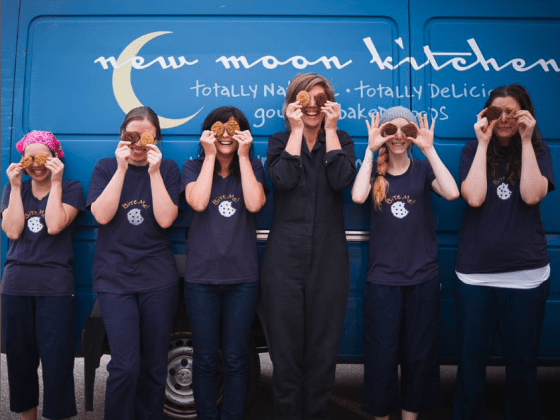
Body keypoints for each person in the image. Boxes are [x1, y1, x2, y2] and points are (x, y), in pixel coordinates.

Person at [452, 84, 554, 420]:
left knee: (523, 366)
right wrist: (483, 143)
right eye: (497, 112)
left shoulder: (538, 151)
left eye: (513, 111)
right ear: (486, 115)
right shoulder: (472, 149)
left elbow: (530, 195)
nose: (505, 118)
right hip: (476, 277)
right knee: (470, 364)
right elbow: (475, 197)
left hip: (526, 277)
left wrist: (526, 141)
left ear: (526, 114)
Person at [352, 106, 459, 420]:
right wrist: (371, 151)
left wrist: (429, 148)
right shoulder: (373, 172)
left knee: (419, 355)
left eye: (406, 130)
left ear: (413, 136)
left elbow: (452, 192)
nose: (398, 135)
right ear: (383, 135)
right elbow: (358, 197)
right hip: (384, 282)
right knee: (381, 356)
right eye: (390, 130)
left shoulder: (423, 170)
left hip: (422, 279)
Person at [261, 72, 356, 420]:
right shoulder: (279, 140)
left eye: (320, 99)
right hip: (284, 260)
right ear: (293, 104)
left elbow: (340, 179)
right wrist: (297, 131)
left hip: (330, 259)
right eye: (305, 99)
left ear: (329, 104)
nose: (312, 106)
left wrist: (330, 131)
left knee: (322, 353)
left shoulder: (342, 139)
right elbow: (282, 180)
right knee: (285, 356)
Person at [86, 106, 180, 420]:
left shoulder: (167, 170)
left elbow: (166, 219)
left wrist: (153, 172)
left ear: (157, 139)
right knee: (125, 366)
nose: (139, 143)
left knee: (154, 366)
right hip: (115, 279)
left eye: (147, 136)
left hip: (157, 279)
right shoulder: (104, 167)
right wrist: (122, 169)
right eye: (132, 135)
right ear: (122, 137)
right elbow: (101, 215)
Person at [181, 106, 267, 420]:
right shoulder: (192, 168)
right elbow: (199, 202)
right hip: (201, 279)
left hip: (242, 280)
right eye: (219, 129)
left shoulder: (254, 166)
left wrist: (244, 157)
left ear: (243, 134)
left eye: (234, 129)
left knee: (235, 359)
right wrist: (208, 157)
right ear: (208, 134)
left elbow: (255, 203)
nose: (226, 135)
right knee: (205, 359)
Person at [1, 131, 84, 420]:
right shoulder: (15, 190)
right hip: (16, 286)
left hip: (55, 287)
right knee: (20, 361)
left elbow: (54, 225)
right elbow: (12, 231)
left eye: (43, 158)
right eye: (30, 159)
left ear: (54, 158)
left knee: (57, 361)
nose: (36, 165)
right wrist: (13, 187)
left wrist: (56, 182)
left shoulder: (71, 188)